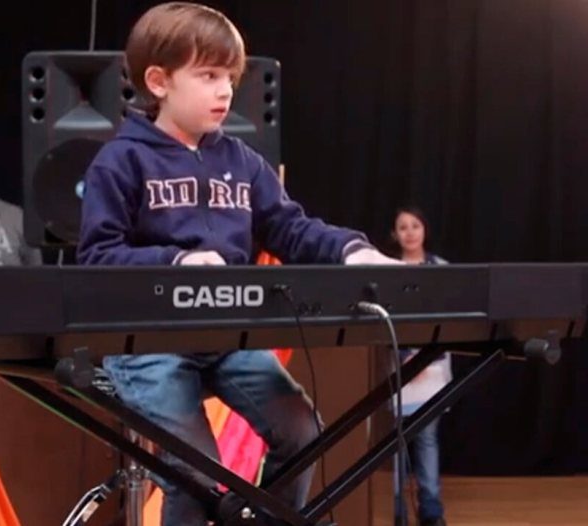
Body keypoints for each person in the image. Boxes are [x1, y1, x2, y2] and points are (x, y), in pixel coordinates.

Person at [77, 3, 399, 524]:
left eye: (230, 77)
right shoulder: (120, 161)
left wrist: (351, 250)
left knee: (303, 432)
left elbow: (291, 227)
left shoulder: (242, 162)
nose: (225, 90)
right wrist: (175, 260)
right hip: (147, 346)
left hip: (227, 336)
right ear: (158, 81)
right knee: (196, 474)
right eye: (208, 76)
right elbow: (96, 256)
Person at [391, 206, 450, 526]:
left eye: (415, 225)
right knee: (396, 445)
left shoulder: (440, 269)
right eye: (403, 227)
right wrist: (405, 358)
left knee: (427, 440)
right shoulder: (388, 269)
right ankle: (399, 511)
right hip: (398, 372)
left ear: (424, 229)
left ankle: (431, 511)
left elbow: (448, 319)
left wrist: (426, 356)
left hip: (433, 372)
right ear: (394, 234)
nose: (410, 232)